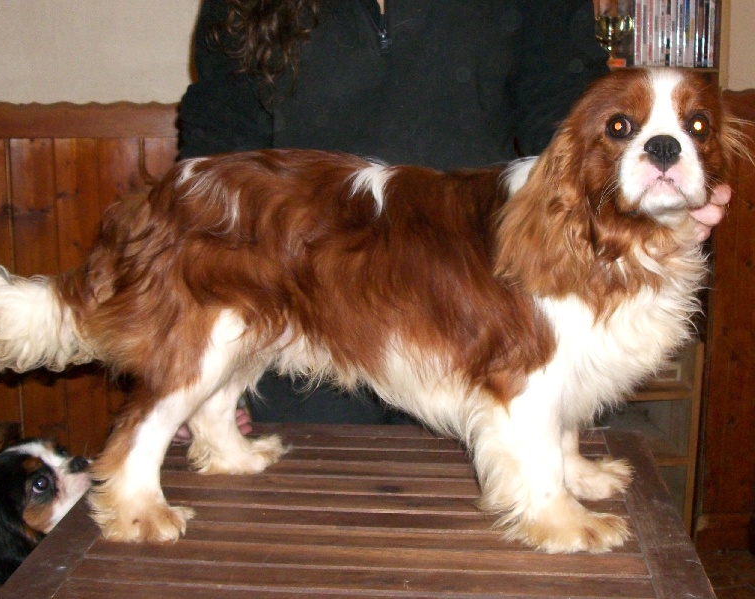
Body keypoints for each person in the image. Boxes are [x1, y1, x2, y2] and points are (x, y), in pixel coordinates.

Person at [177, 0, 729, 427]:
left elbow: (566, 111)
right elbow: (222, 139)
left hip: (482, 312)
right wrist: (186, 340)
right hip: (302, 326)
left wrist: (648, 191)